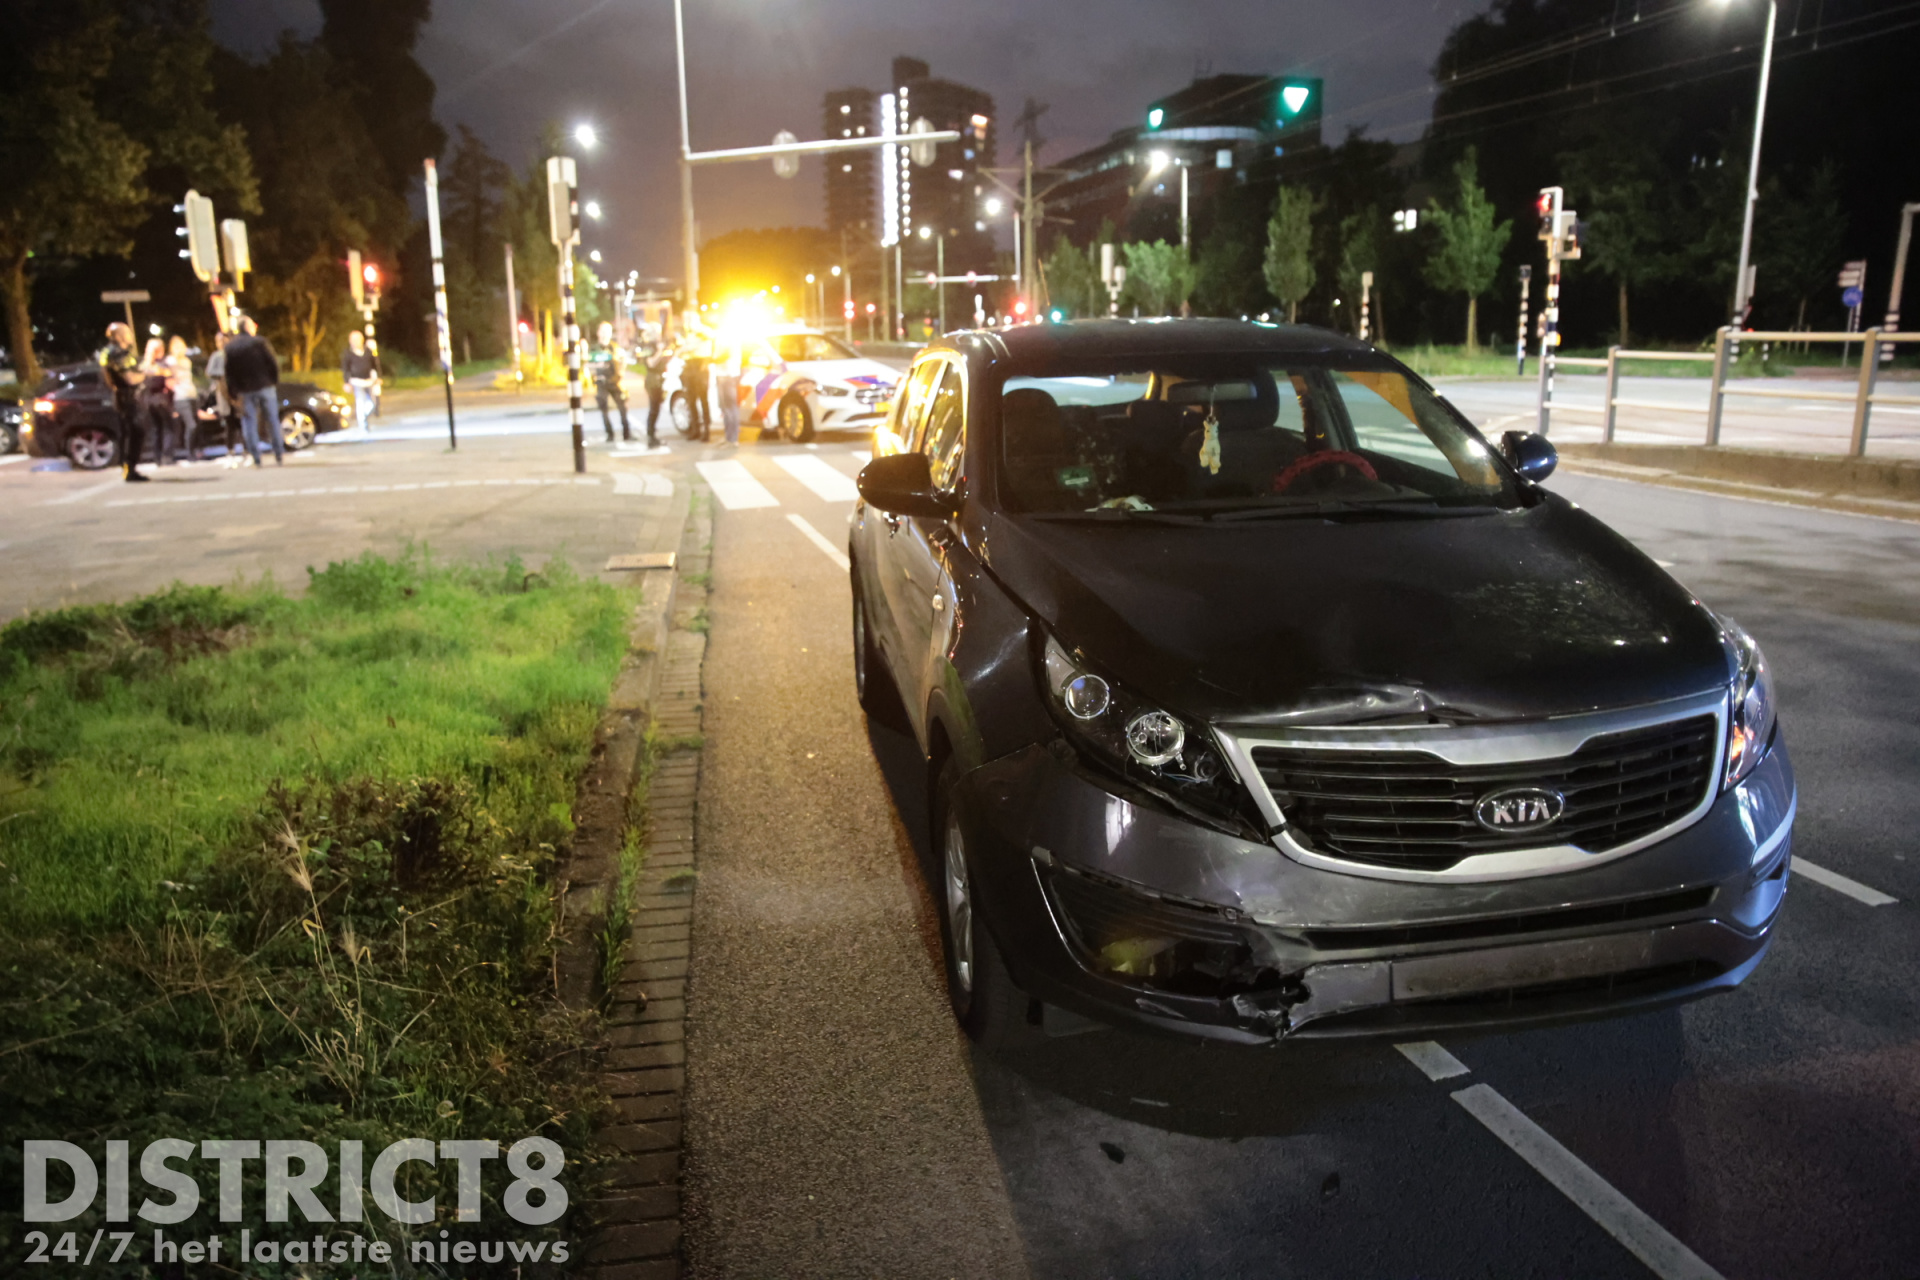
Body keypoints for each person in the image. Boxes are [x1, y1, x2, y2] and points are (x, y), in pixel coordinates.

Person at [223, 315, 283, 467]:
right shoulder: (260, 342)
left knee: (249, 422)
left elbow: (229, 372)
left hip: (245, 389)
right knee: (272, 420)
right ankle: (278, 453)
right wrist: (274, 380)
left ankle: (256, 457)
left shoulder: (231, 347)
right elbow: (272, 362)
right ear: (248, 327)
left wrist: (233, 391)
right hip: (265, 385)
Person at [98, 322, 148, 481]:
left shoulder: (107, 352)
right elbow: (131, 378)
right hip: (128, 397)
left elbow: (107, 377)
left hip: (119, 396)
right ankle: (130, 468)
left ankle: (127, 467)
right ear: (118, 336)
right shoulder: (119, 353)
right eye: (127, 332)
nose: (131, 335)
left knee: (127, 432)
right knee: (135, 431)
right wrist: (146, 373)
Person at [587, 321, 633, 442]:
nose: (605, 333)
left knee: (622, 407)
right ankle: (610, 434)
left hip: (615, 382)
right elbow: (589, 364)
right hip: (601, 382)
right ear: (598, 332)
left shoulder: (615, 348)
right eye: (602, 330)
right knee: (604, 409)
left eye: (608, 331)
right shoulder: (594, 348)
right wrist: (593, 377)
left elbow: (623, 361)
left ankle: (627, 433)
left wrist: (620, 374)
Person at [202, 331, 238, 459]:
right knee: (229, 422)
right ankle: (230, 448)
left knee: (240, 420)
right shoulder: (217, 356)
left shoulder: (234, 354)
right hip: (223, 391)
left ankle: (246, 448)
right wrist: (223, 373)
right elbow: (210, 372)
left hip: (237, 391)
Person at [165, 335, 197, 460]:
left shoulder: (187, 361)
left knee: (194, 426)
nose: (181, 349)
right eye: (177, 346)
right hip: (180, 396)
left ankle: (193, 451)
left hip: (192, 394)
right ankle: (189, 453)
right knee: (191, 425)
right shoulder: (170, 360)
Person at [342, 330, 378, 433]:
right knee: (360, 402)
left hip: (369, 381)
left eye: (357, 339)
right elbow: (345, 369)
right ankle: (363, 425)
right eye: (353, 340)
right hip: (356, 381)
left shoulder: (368, 351)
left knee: (372, 403)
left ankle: (365, 417)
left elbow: (374, 365)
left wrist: (377, 377)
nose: (355, 342)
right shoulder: (348, 354)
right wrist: (347, 382)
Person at [678, 330, 711, 443]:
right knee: (691, 401)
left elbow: (708, 345)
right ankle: (695, 430)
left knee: (703, 401)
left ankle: (706, 431)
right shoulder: (686, 337)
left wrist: (690, 346)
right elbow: (678, 352)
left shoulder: (703, 333)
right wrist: (687, 347)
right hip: (689, 369)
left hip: (700, 368)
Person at [638, 326, 668, 448]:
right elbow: (650, 363)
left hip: (656, 379)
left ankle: (652, 434)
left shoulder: (651, 345)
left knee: (655, 408)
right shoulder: (650, 346)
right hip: (653, 380)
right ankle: (651, 437)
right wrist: (660, 352)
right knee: (654, 409)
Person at [713, 332, 742, 447]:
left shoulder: (728, 335)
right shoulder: (725, 334)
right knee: (726, 408)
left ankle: (732, 439)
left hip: (727, 375)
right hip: (724, 375)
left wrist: (711, 360)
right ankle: (728, 437)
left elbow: (724, 355)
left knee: (730, 408)